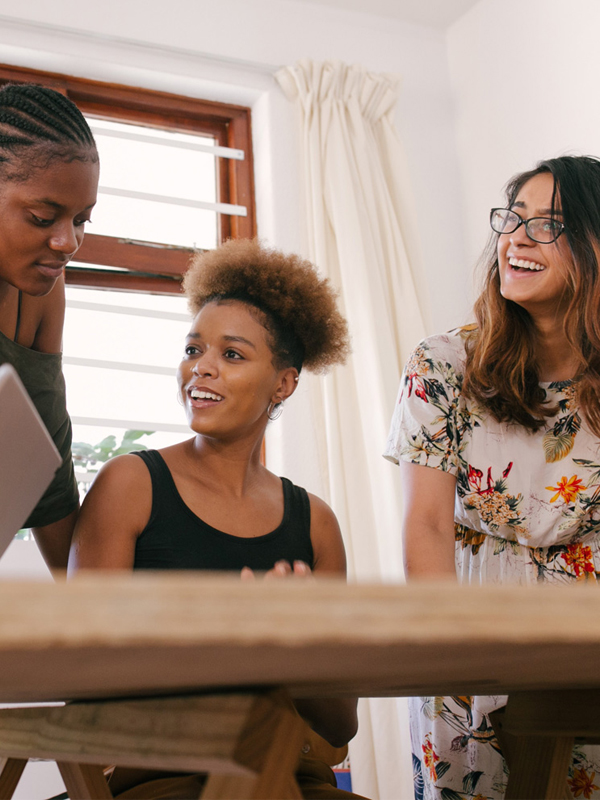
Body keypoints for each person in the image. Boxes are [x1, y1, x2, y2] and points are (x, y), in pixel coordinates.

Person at [70, 238, 366, 800]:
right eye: (192, 349)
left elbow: (339, 724)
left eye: (231, 355)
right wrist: (235, 641)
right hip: (162, 779)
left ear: (283, 382)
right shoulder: (130, 486)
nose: (200, 368)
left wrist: (302, 645)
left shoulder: (315, 522)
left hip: (294, 781)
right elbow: (84, 676)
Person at [385, 155, 600, 799]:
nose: (516, 238)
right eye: (513, 218)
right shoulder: (444, 363)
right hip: (465, 640)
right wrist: (456, 652)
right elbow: (424, 526)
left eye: (549, 224)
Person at [0, 83, 99, 570]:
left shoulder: (44, 291)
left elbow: (47, 458)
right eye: (43, 217)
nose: (67, 242)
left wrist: (87, 608)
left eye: (82, 219)